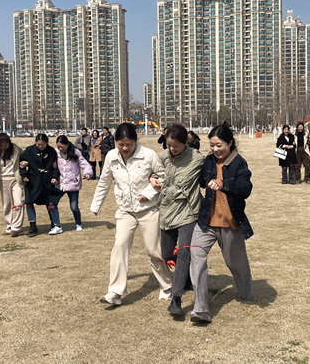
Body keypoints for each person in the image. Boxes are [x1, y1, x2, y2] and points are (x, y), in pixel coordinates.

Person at [90, 122, 172, 306]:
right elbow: (104, 181)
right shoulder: (111, 156)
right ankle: (115, 291)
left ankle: (167, 285)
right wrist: (96, 205)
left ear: (136, 141)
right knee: (119, 245)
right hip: (125, 210)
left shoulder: (148, 155)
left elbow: (163, 177)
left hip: (149, 209)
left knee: (153, 249)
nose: (125, 148)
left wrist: (148, 193)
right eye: (121, 144)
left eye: (129, 144)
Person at [189, 124, 253, 323]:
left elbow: (245, 188)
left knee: (235, 263)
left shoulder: (239, 163)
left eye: (219, 145)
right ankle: (200, 309)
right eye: (212, 145)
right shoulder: (208, 160)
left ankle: (247, 294)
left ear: (230, 143)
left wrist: (224, 184)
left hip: (230, 222)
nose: (215, 149)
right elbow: (200, 180)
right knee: (196, 255)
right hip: (206, 221)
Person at [151, 124, 204, 316]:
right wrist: (152, 178)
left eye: (176, 146)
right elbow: (156, 172)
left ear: (185, 143)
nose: (172, 149)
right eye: (169, 145)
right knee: (166, 253)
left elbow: (182, 186)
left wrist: (163, 186)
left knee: (183, 252)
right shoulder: (164, 156)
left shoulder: (196, 158)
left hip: (188, 212)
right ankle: (186, 274)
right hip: (167, 211)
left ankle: (176, 299)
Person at [20, 134, 62, 237]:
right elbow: (21, 164)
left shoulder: (51, 151)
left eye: (42, 144)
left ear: (47, 143)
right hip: (33, 182)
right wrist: (24, 175)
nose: (40, 146)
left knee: (50, 203)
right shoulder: (29, 150)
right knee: (29, 203)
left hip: (47, 182)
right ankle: (32, 226)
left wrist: (55, 177)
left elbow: (56, 167)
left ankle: (54, 223)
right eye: (38, 144)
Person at [55, 135, 93, 231]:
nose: (60, 149)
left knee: (74, 207)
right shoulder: (56, 153)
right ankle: (55, 224)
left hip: (73, 184)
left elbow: (84, 164)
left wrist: (87, 173)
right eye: (58, 147)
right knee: (52, 204)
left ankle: (78, 223)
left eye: (62, 147)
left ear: (67, 144)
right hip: (60, 184)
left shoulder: (75, 152)